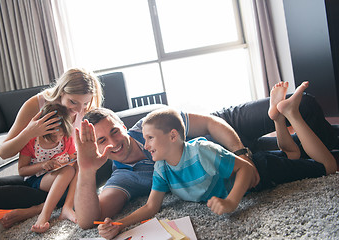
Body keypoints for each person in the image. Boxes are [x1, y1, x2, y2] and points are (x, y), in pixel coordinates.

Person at [97, 81, 337, 239]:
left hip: (262, 169)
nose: (145, 144)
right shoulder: (161, 168)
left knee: (327, 167)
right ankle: (277, 116)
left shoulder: (201, 150)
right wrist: (120, 224)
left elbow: (244, 168)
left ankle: (291, 113)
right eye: (146, 139)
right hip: (252, 166)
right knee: (294, 155)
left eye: (149, 139)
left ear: (172, 136)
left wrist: (232, 202)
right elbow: (151, 207)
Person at [74, 106, 258, 230]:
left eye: (114, 131)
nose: (113, 143)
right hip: (225, 174)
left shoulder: (148, 125)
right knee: (282, 153)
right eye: (102, 140)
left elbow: (210, 123)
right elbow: (87, 221)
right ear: (96, 146)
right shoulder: (122, 178)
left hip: (227, 132)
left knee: (274, 111)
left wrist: (241, 154)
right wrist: (86, 170)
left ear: (123, 126)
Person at [0, 68, 102, 228]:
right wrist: (29, 132)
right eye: (73, 102)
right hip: (41, 178)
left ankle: (40, 208)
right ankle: (57, 202)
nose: (79, 110)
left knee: (98, 166)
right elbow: (4, 153)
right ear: (61, 91)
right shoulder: (36, 104)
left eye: (85, 103)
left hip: (72, 176)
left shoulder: (88, 107)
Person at [19, 103, 77, 233]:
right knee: (68, 171)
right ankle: (44, 215)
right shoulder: (32, 142)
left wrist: (76, 157)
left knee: (77, 172)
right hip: (37, 178)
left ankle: (57, 207)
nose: (57, 140)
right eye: (52, 137)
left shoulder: (66, 139)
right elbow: (21, 171)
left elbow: (72, 157)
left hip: (58, 175)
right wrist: (42, 165)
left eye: (61, 136)